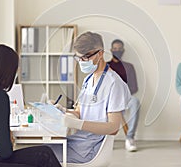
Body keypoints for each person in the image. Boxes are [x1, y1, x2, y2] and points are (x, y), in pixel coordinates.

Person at [49, 31, 131, 163]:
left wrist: (79, 124)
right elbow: (79, 112)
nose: (82, 62)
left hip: (90, 150)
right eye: (78, 58)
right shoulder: (88, 79)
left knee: (41, 156)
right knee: (40, 150)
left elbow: (113, 128)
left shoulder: (114, 83)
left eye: (86, 57)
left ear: (100, 53)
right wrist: (63, 111)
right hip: (77, 143)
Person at [107, 39, 140, 152]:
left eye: (119, 49)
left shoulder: (129, 67)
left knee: (135, 102)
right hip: (109, 99)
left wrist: (122, 93)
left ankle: (130, 137)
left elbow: (134, 87)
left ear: (123, 50)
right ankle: (106, 139)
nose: (117, 51)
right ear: (111, 50)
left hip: (125, 97)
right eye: (115, 49)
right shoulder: (106, 66)